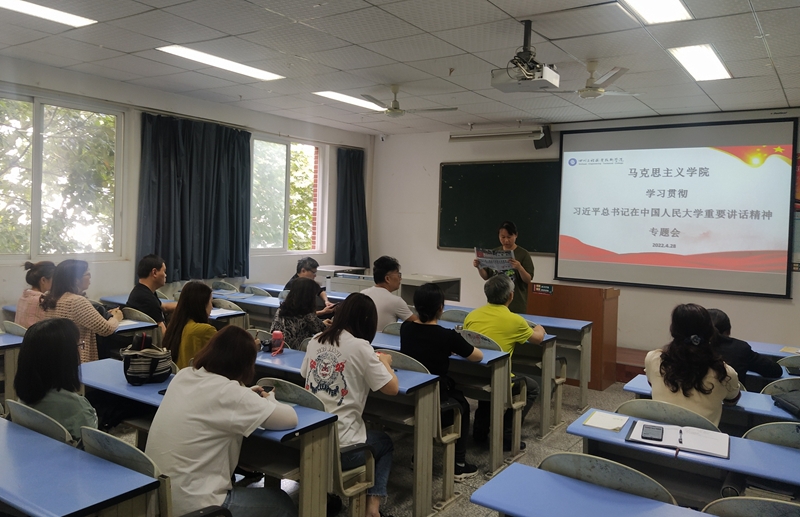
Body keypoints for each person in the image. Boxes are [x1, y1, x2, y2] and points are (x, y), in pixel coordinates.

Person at [146, 325, 299, 517]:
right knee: (282, 504)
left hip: (160, 500)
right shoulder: (231, 394)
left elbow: (218, 400)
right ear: (246, 364)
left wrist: (244, 394)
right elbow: (290, 419)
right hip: (198, 507)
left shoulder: (184, 375)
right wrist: (270, 399)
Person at [301, 293, 398, 517]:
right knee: (384, 442)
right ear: (367, 321)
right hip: (343, 450)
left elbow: (305, 373)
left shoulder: (316, 339)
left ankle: (329, 496)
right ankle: (372, 510)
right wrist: (385, 362)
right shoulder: (361, 347)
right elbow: (392, 388)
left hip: (311, 441)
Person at [400, 283, 483, 480]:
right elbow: (477, 356)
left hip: (410, 393)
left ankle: (417, 457)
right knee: (462, 405)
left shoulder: (405, 328)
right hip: (436, 395)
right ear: (440, 308)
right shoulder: (447, 335)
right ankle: (458, 464)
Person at [464, 275, 546, 450]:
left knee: (488, 380)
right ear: (511, 296)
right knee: (531, 388)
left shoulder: (472, 315)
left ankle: (480, 430)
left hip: (473, 376)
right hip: (499, 380)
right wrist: (539, 328)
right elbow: (538, 339)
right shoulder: (515, 320)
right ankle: (508, 434)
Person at [645, 303, 741, 427]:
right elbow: (732, 401)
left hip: (660, 434)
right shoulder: (725, 373)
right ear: (711, 332)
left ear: (673, 330)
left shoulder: (653, 359)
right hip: (702, 437)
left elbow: (652, 384)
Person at [13, 318, 98, 442]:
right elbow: (92, 448)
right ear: (65, 357)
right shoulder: (78, 408)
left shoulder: (22, 399)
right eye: (78, 346)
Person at [40, 259, 123, 363]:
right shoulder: (76, 301)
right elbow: (106, 329)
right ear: (76, 280)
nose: (90, 276)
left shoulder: (51, 298)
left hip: (58, 357)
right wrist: (115, 318)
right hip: (78, 359)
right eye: (87, 274)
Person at [473, 221, 534, 314]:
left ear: (516, 235)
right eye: (503, 237)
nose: (506, 241)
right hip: (495, 302)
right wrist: (479, 267)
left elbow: (528, 279)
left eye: (509, 237)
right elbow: (486, 276)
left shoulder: (523, 254)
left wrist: (519, 268)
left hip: (516, 303)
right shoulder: (494, 252)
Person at [707, 308, 782, 383]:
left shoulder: (700, 347)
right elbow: (776, 371)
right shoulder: (740, 348)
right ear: (728, 331)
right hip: (733, 390)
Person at [163, 281, 216, 369]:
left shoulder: (174, 325)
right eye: (210, 302)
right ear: (202, 305)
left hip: (178, 374)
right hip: (197, 375)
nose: (212, 307)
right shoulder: (206, 330)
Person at [361, 255, 418, 332]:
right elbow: (418, 323)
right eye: (398, 275)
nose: (400, 278)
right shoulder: (396, 301)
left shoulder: (362, 294)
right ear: (387, 278)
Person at [270, 277, 329, 349]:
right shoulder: (306, 313)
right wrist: (325, 324)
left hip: (278, 347)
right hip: (297, 350)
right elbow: (320, 329)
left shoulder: (280, 309)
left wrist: (322, 323)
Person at [126, 254, 177, 334]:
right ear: (154, 272)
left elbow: (164, 307)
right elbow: (164, 337)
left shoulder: (140, 291)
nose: (165, 275)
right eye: (164, 271)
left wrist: (185, 305)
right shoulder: (148, 300)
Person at [15, 260, 55, 328]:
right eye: (53, 279)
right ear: (43, 280)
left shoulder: (23, 297)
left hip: (21, 334)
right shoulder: (41, 300)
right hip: (35, 334)